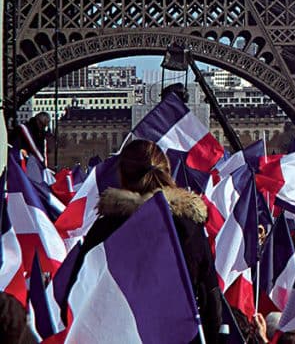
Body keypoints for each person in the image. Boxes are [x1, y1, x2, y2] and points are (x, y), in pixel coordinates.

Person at [65, 139, 222, 343]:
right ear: (167, 172)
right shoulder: (189, 228)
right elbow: (211, 298)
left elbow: (78, 290)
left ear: (122, 175)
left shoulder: (104, 229)